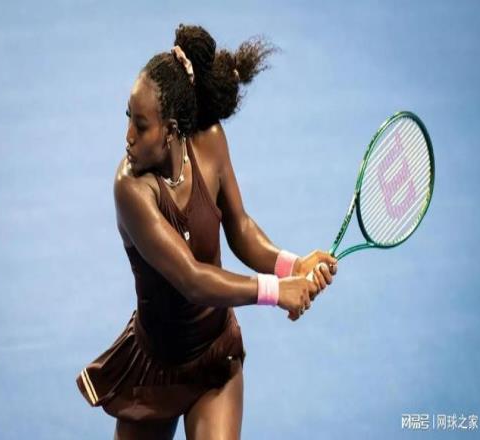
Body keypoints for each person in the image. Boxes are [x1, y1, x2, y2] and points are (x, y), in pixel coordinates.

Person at [76, 24, 338, 440]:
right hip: (154, 370)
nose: (127, 137)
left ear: (171, 129)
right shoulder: (131, 188)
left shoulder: (210, 141)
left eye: (141, 125)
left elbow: (240, 227)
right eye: (128, 118)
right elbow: (192, 279)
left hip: (215, 357)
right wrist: (276, 291)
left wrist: (292, 266)